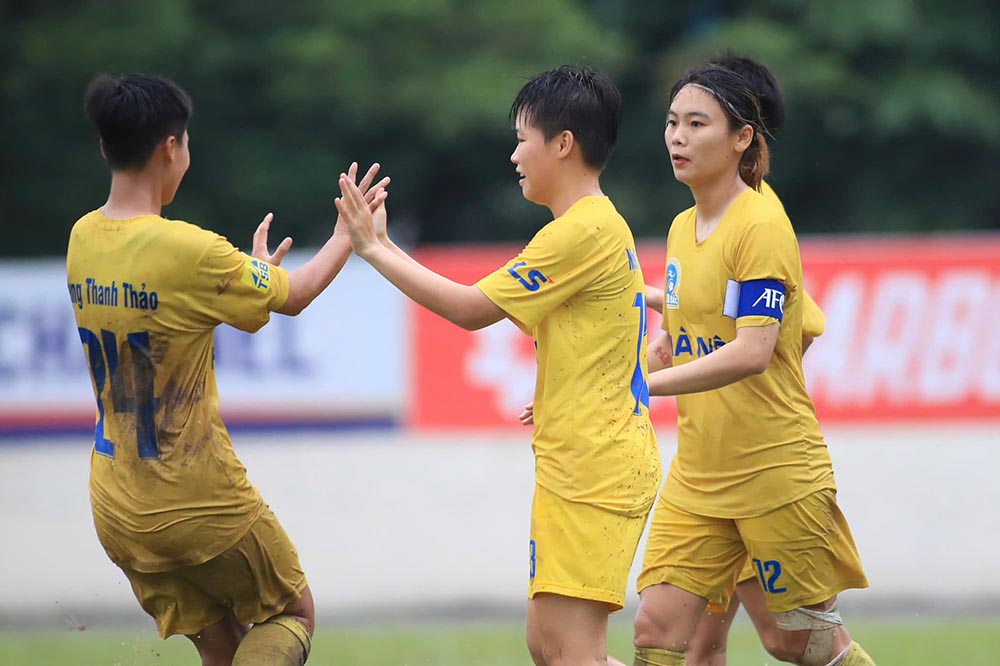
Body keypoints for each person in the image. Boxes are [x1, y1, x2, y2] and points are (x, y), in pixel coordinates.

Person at [335, 65, 661, 666]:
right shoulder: (589, 227)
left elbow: (469, 309)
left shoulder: (581, 231)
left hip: (597, 465)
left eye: (522, 138)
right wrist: (570, 389)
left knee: (570, 652)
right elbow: (603, 332)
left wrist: (376, 250)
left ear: (562, 144)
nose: (514, 155)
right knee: (548, 647)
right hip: (580, 459)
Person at [68, 73, 387, 666]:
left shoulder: (83, 237)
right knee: (288, 614)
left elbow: (199, 308)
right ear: (171, 147)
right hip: (197, 500)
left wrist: (249, 275)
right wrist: (351, 232)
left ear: (105, 147)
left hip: (117, 504)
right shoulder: (191, 250)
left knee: (224, 651)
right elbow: (295, 295)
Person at [631, 63, 875, 666]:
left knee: (796, 640)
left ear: (742, 138)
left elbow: (754, 350)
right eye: (671, 123)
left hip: (772, 470)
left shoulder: (762, 224)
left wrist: (638, 387)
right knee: (656, 631)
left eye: (696, 123)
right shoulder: (681, 227)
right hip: (699, 474)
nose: (677, 137)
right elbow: (679, 336)